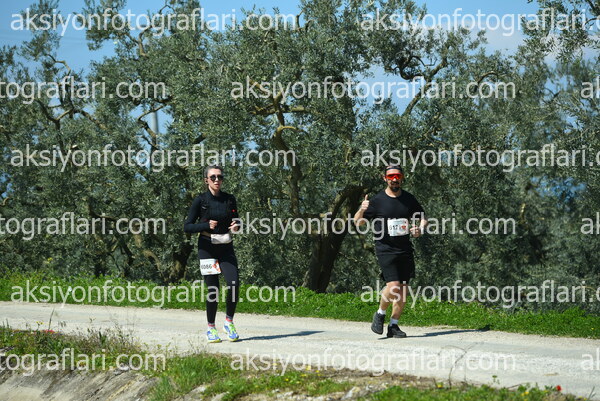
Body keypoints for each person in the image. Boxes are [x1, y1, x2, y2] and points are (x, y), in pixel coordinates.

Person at [354, 165, 428, 338]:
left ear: (402, 178)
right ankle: (380, 314)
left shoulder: (409, 199)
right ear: (385, 178)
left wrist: (420, 229)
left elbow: (423, 217)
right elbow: (358, 222)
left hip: (405, 249)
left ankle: (393, 325)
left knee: (403, 290)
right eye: (391, 176)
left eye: (397, 176)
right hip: (385, 249)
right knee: (393, 286)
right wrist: (362, 209)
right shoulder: (377, 201)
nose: (394, 179)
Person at [184, 165, 241, 343]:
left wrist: (237, 226)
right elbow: (187, 226)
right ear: (206, 180)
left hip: (225, 246)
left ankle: (229, 322)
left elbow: (237, 220)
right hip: (207, 247)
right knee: (213, 289)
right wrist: (205, 225)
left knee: (234, 283)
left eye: (220, 177)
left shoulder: (229, 199)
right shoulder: (200, 200)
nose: (217, 180)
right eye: (213, 177)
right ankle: (211, 327)